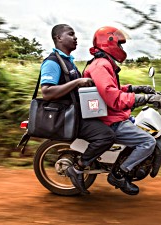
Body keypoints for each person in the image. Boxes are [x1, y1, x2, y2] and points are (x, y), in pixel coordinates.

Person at [83, 26, 161, 195]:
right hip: (110, 119)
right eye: (120, 45)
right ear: (109, 43)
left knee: (143, 129)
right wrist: (145, 99)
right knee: (148, 142)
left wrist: (137, 88)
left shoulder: (104, 63)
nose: (121, 49)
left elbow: (112, 89)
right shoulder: (101, 65)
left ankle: (125, 163)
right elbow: (113, 98)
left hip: (113, 115)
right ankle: (118, 174)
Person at [40, 24, 115, 195]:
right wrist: (77, 82)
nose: (75, 38)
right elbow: (46, 92)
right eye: (71, 34)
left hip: (78, 113)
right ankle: (78, 168)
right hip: (67, 117)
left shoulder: (69, 61)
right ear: (58, 38)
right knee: (106, 135)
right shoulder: (52, 62)